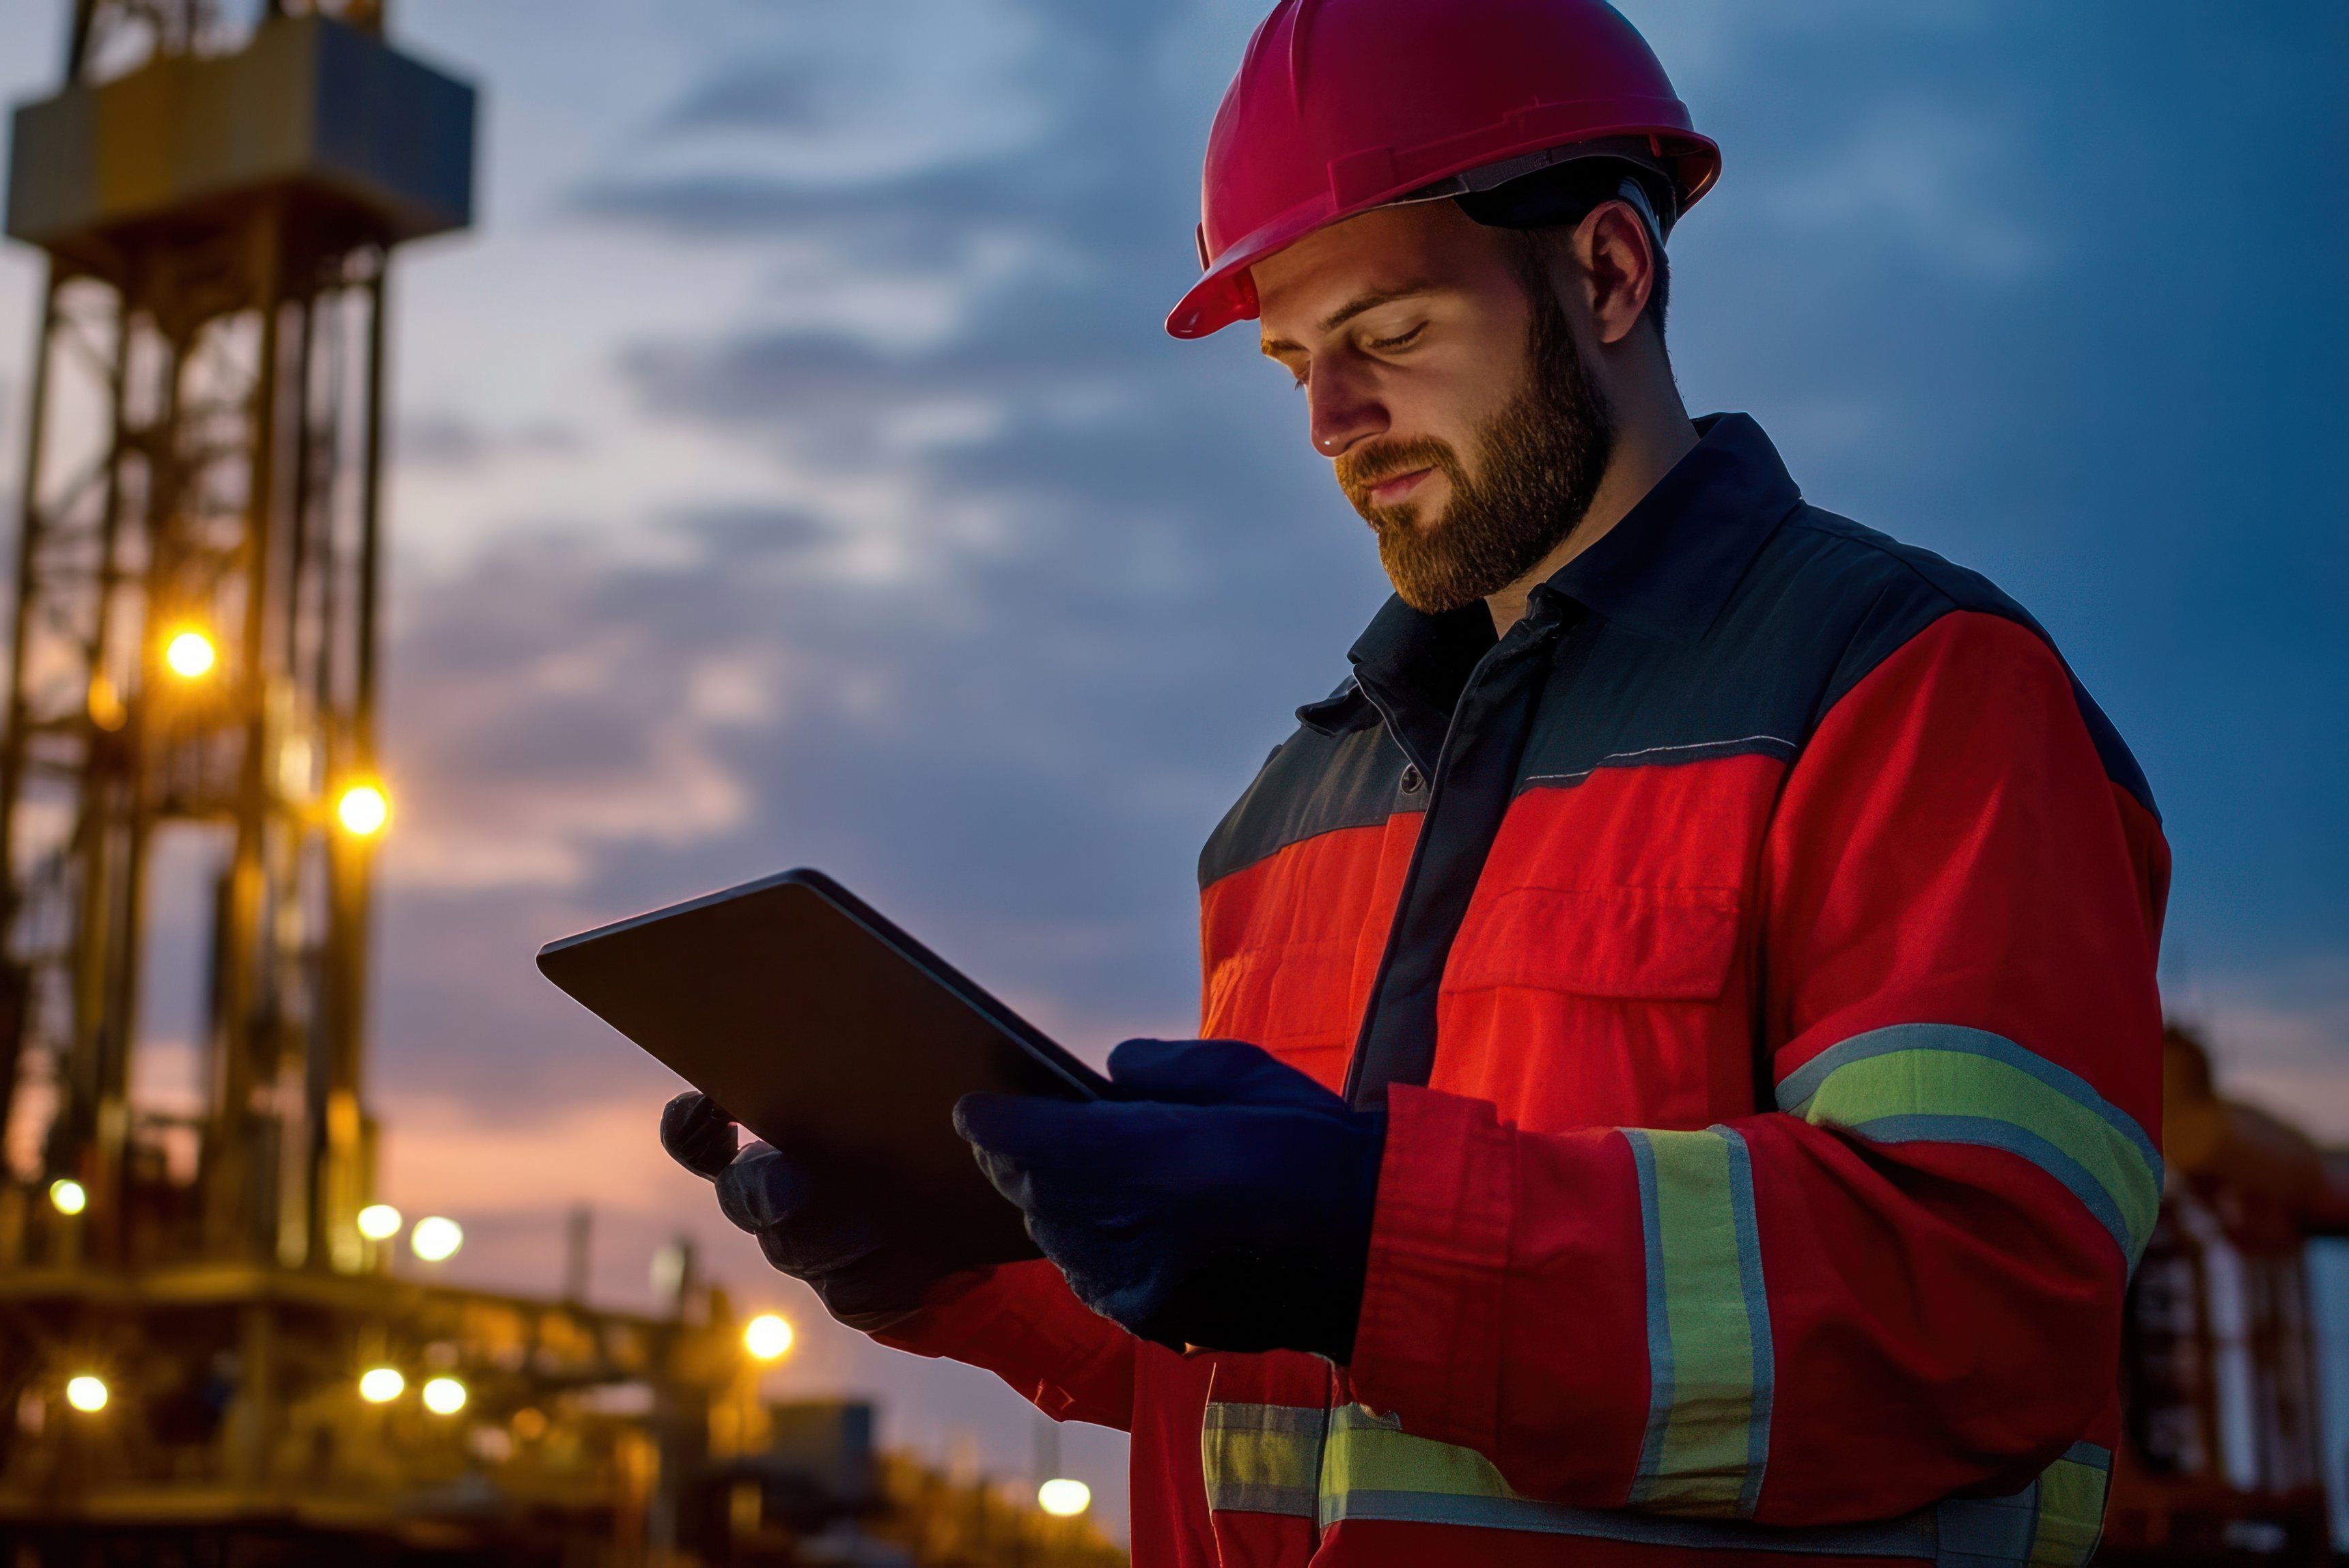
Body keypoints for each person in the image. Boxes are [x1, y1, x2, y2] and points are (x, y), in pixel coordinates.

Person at [661, 1, 2167, 1562]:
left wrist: (1367, 1234)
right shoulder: (1288, 805)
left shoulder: (1909, 690)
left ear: (1605, 271)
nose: (1328, 422)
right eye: (1293, 364)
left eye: (1385, 337)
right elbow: (1291, 1382)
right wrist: (962, 1258)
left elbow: (1981, 1307)